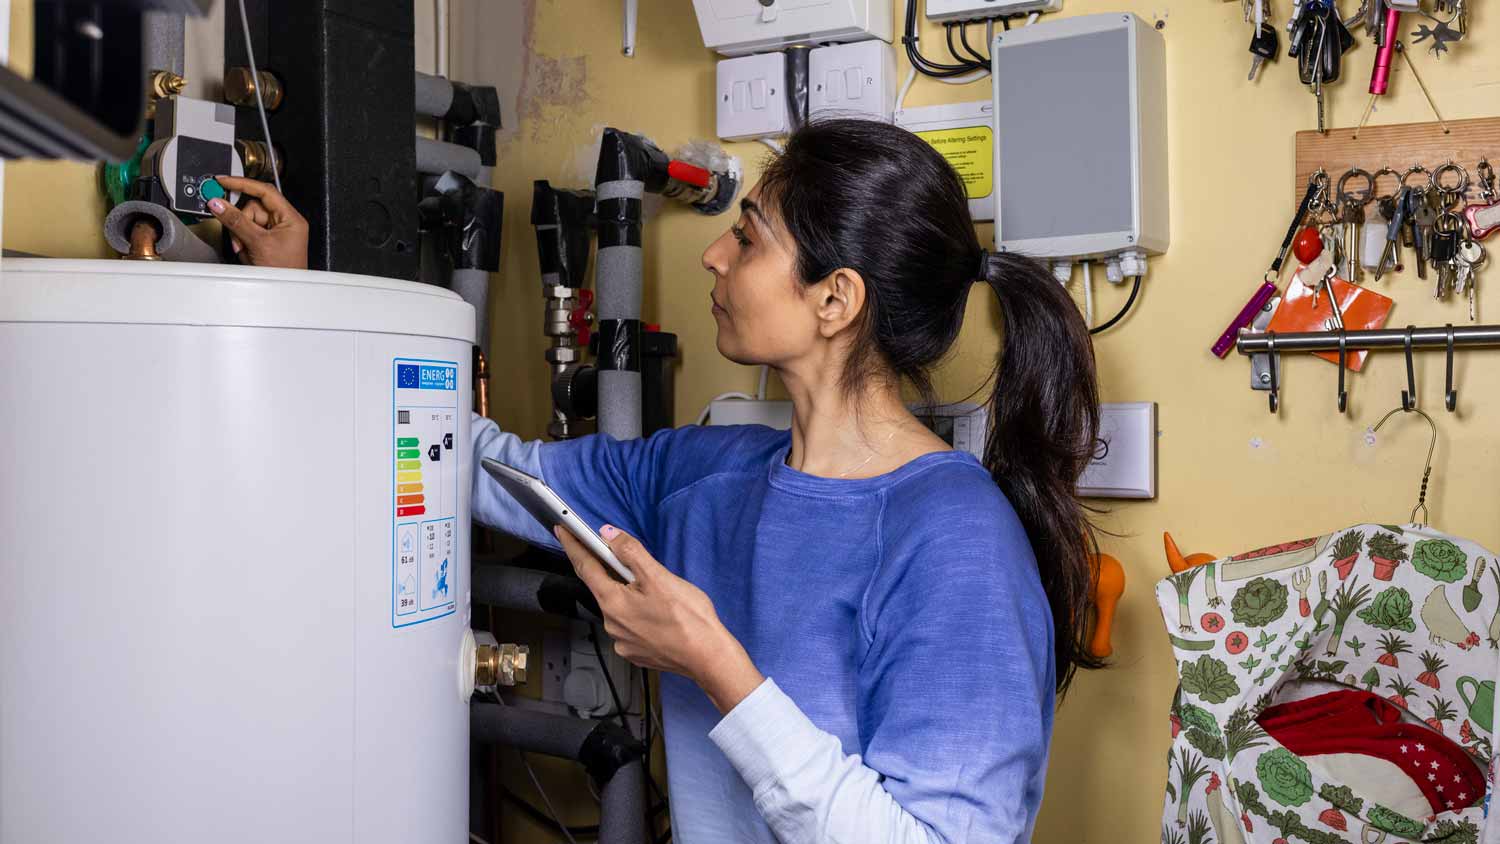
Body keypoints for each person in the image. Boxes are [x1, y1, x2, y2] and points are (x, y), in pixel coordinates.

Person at [219, 118, 1104, 844]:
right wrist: (307, 301)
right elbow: (483, 466)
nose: (713, 256)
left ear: (835, 300)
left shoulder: (956, 543)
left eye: (749, 237)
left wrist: (716, 666)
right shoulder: (704, 473)